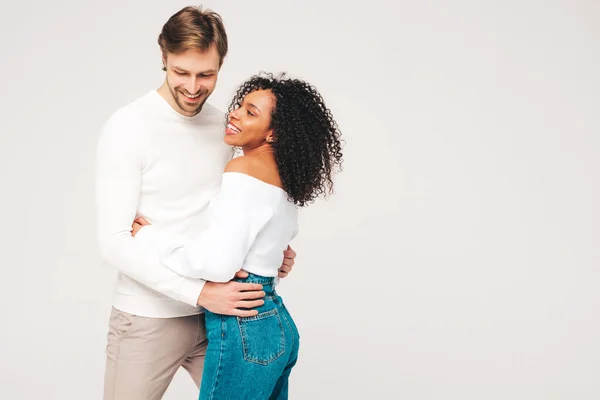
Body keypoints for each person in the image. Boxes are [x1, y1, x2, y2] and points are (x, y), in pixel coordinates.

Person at [95, 7, 296, 400]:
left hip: (225, 318)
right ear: (163, 59)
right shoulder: (128, 127)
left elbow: (237, 211)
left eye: (206, 74)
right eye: (180, 72)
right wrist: (200, 293)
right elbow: (114, 241)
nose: (192, 86)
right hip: (149, 317)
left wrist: (272, 250)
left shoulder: (228, 129)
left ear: (221, 64)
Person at [131, 72, 344, 399]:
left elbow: (216, 265)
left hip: (247, 327)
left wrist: (150, 238)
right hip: (276, 323)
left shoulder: (244, 171)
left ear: (273, 133)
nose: (234, 113)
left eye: (250, 112)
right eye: (240, 106)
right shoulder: (283, 181)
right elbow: (277, 251)